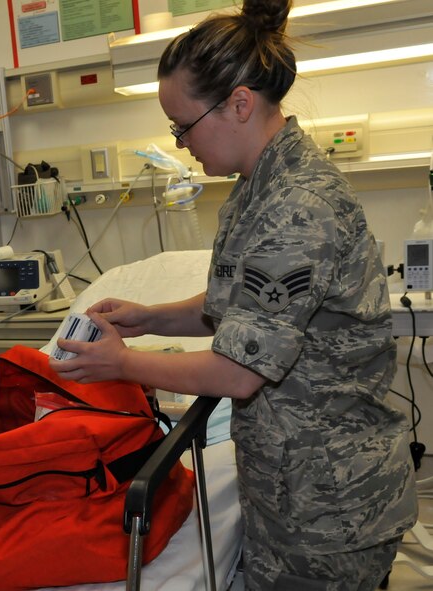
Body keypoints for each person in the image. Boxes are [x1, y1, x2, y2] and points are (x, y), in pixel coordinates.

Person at [49, 1, 418, 589]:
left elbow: (240, 371)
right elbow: (232, 310)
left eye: (183, 125)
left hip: (331, 509)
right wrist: (148, 318)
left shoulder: (298, 206)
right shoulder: (255, 191)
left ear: (239, 104)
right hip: (287, 487)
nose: (179, 141)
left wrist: (121, 363)